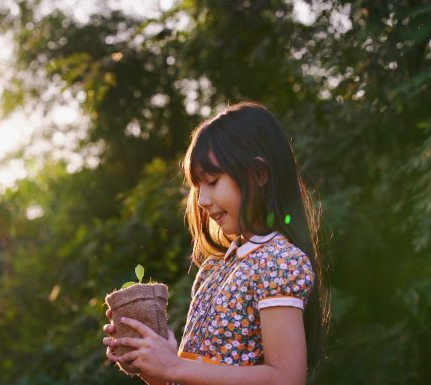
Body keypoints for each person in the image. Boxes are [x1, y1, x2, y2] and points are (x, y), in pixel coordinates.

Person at [102, 101, 328, 385]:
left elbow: (286, 379)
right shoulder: (213, 270)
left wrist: (174, 367)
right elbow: (195, 375)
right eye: (198, 187)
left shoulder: (278, 261)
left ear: (259, 174)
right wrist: (157, 366)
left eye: (213, 181)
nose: (202, 200)